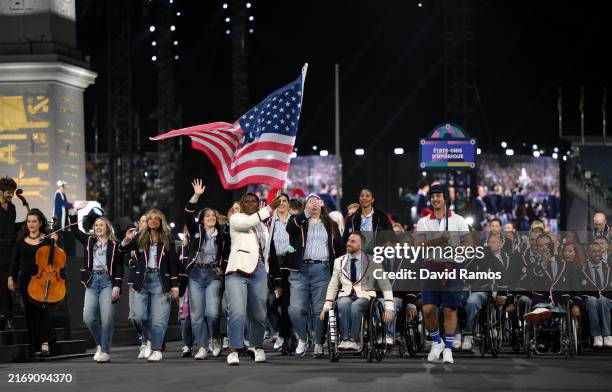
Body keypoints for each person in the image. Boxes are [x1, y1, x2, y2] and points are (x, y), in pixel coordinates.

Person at [415, 183, 472, 364]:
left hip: (453, 267)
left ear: (445, 198)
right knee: (427, 309)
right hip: (430, 267)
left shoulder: (458, 220)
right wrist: (441, 239)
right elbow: (418, 246)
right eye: (432, 196)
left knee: (449, 309)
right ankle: (437, 341)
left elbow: (469, 245)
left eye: (439, 196)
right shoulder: (424, 221)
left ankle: (448, 349)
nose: (435, 199)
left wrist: (456, 249)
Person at [225, 193, 283, 366]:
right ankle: (234, 350)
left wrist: (265, 271)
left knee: (259, 314)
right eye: (247, 201)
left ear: (258, 204)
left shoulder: (263, 227)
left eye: (254, 201)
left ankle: (257, 347)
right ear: (242, 204)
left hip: (258, 272)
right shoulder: (236, 218)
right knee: (237, 312)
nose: (251, 203)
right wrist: (270, 207)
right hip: (237, 271)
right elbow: (249, 222)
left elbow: (266, 252)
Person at [286, 193, 343, 358]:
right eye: (310, 201)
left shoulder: (330, 224)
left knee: (320, 310)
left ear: (322, 204)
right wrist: (305, 214)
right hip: (300, 270)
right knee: (296, 309)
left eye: (316, 201)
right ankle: (303, 338)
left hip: (322, 270)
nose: (313, 203)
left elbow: (338, 248)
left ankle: (318, 342)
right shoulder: (298, 221)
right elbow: (289, 229)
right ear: (305, 205)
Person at [119, 209, 179, 362]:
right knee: (139, 315)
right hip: (142, 280)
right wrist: (126, 240)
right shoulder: (140, 237)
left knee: (159, 318)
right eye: (150, 218)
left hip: (160, 280)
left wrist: (175, 285)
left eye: (156, 219)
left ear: (161, 221)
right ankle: (147, 340)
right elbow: (121, 250)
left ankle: (157, 349)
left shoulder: (167, 239)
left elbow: (173, 264)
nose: (152, 221)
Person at [320, 232, 394, 351]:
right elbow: (333, 285)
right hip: (346, 295)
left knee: (355, 306)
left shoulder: (373, 261)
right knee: (343, 303)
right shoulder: (339, 261)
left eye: (353, 241)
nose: (348, 243)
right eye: (348, 240)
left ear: (362, 245)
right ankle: (345, 339)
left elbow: (385, 284)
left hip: (365, 296)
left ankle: (354, 340)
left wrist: (389, 306)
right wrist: (327, 305)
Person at [69, 203, 123, 362]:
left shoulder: (115, 245)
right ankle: (101, 343)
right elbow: (74, 230)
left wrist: (117, 286)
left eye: (102, 225)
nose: (99, 227)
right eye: (96, 225)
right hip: (92, 281)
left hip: (108, 282)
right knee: (88, 318)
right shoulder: (88, 240)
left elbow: (119, 266)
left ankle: (105, 351)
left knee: (106, 318)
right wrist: (74, 211)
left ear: (107, 228)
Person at [182, 179, 229, 359]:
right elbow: (187, 214)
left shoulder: (222, 234)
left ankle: (215, 337)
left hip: (213, 274)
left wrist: (222, 267)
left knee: (213, 313)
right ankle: (202, 346)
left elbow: (227, 253)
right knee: (196, 314)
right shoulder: (196, 231)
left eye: (213, 216)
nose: (211, 217)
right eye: (207, 215)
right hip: (195, 274)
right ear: (202, 219)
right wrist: (196, 195)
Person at [8, 209, 59, 356]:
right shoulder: (21, 240)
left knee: (41, 310)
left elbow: (55, 259)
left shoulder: (47, 239)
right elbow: (14, 261)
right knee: (29, 313)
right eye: (29, 221)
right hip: (25, 280)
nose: (31, 224)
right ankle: (34, 345)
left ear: (40, 223)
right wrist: (11, 277)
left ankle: (45, 342)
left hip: (42, 280)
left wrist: (54, 242)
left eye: (34, 221)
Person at [268, 193, 293, 352]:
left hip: (290, 265)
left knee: (286, 305)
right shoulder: (269, 222)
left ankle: (286, 338)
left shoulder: (295, 221)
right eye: (280, 201)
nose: (282, 203)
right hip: (273, 265)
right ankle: (281, 331)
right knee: (270, 303)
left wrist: (292, 250)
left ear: (289, 204)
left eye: (285, 201)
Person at [577, 240, 612, 348]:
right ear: (588, 253)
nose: (597, 254)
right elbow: (579, 290)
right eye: (594, 252)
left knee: (602, 300)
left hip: (608, 300)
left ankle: (607, 335)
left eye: (598, 251)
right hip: (589, 301)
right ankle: (596, 335)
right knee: (592, 301)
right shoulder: (581, 270)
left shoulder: (609, 268)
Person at [0, 177, 17, 331]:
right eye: (8, 192)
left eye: (12, 193)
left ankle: (8, 318)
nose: (11, 195)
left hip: (9, 252)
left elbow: (12, 229)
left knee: (7, 286)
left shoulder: (12, 208)